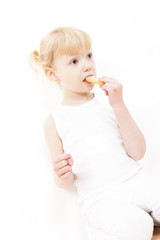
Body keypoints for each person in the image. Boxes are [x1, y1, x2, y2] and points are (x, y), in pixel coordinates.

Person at [28, 26, 160, 240]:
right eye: (74, 61)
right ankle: (101, 230)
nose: (88, 65)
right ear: (53, 74)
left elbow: (138, 152)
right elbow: (64, 182)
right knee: (138, 225)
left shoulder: (109, 105)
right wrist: (62, 174)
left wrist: (119, 104)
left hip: (134, 180)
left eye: (89, 56)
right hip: (99, 198)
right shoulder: (53, 122)